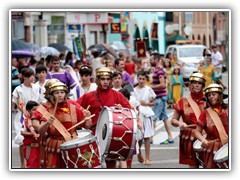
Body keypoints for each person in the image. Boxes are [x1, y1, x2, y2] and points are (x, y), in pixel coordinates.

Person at [76, 67, 132, 168]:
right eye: (102, 79)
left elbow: (130, 111)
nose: (105, 82)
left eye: (108, 79)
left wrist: (122, 110)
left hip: (111, 135)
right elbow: (74, 108)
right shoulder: (89, 96)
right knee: (93, 165)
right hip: (93, 135)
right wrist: (84, 113)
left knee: (111, 166)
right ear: (98, 80)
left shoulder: (117, 95)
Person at [32, 81, 92, 168]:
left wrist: (88, 119)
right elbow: (38, 128)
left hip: (72, 143)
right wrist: (47, 124)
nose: (60, 95)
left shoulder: (73, 105)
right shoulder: (46, 107)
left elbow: (87, 125)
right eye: (56, 93)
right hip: (55, 144)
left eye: (62, 92)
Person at [171, 72, 206, 168]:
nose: (197, 85)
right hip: (189, 137)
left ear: (203, 85)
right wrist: (179, 123)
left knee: (209, 166)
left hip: (206, 136)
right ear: (190, 84)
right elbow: (173, 120)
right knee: (193, 167)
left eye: (199, 83)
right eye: (195, 83)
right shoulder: (182, 101)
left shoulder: (209, 99)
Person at [12, 67, 42, 168]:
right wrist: (27, 113)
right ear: (24, 77)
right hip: (23, 116)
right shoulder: (18, 89)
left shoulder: (37, 88)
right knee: (21, 140)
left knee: (36, 139)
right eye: (29, 76)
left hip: (36, 115)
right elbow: (19, 104)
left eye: (33, 75)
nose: (32, 78)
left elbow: (41, 101)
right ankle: (22, 163)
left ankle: (37, 161)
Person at [195, 83, 228, 168]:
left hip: (228, 145)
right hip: (212, 148)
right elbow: (197, 132)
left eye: (214, 94)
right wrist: (203, 140)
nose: (211, 97)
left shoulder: (228, 109)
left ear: (220, 95)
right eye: (209, 95)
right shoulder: (205, 113)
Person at [150, 52, 174, 144]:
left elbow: (163, 84)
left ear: (156, 60)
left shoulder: (159, 70)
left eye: (151, 60)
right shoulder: (157, 70)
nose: (150, 61)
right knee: (165, 118)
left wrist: (151, 87)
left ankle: (150, 138)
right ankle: (170, 137)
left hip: (159, 98)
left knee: (154, 117)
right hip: (161, 97)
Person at [133, 70, 156, 166]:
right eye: (140, 79)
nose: (141, 81)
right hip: (137, 114)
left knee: (147, 137)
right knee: (139, 137)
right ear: (137, 78)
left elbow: (152, 103)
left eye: (143, 79)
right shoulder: (133, 90)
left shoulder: (148, 89)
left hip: (146, 114)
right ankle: (139, 153)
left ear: (146, 79)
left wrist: (146, 103)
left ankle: (147, 158)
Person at [21, 100, 40, 168]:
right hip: (30, 147)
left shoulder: (40, 119)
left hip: (40, 148)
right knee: (31, 166)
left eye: (37, 110)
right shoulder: (25, 120)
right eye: (34, 110)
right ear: (28, 110)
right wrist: (32, 134)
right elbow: (22, 132)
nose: (36, 112)